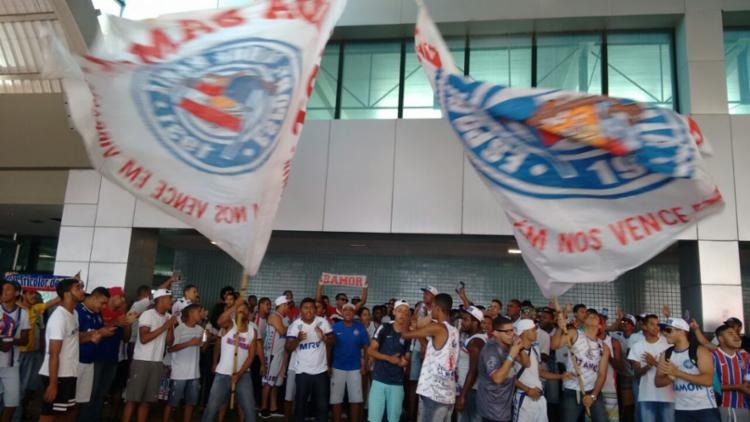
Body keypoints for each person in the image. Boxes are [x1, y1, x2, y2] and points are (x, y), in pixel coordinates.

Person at [401, 293, 460, 422]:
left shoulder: (437, 327)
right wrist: (420, 334)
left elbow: (405, 334)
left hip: (433, 393)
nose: (430, 311)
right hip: (447, 393)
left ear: (438, 309)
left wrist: (407, 316)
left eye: (432, 307)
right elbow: (432, 347)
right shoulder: (454, 330)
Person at [123, 289, 176, 422]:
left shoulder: (168, 317)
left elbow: (169, 342)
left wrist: (170, 327)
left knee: (148, 400)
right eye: (170, 298)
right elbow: (144, 338)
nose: (172, 301)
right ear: (161, 299)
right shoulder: (148, 315)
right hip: (142, 361)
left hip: (157, 362)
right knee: (133, 399)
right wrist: (165, 327)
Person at [201, 300, 258, 422]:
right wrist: (235, 306)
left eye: (245, 310)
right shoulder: (229, 324)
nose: (242, 312)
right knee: (212, 406)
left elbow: (251, 356)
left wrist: (239, 374)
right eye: (240, 310)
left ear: (249, 313)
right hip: (223, 373)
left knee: (249, 408)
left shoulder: (253, 331)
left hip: (243, 374)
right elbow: (219, 321)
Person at [39, 278, 86, 422]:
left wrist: (93, 335)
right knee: (49, 416)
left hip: (68, 373)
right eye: (78, 288)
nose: (82, 291)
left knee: (65, 414)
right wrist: (53, 384)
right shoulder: (59, 317)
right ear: (66, 293)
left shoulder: (74, 314)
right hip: (57, 375)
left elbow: (73, 339)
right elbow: (54, 353)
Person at [551, 308, 610, 422]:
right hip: (572, 390)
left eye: (595, 317)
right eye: (589, 315)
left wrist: (593, 396)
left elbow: (602, 374)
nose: (592, 316)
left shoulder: (604, 347)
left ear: (600, 326)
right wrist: (559, 327)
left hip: (592, 391)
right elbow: (554, 346)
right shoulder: (574, 333)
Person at [655, 317, 719, 422]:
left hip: (705, 408)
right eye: (663, 331)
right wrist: (670, 378)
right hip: (681, 410)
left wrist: (677, 373)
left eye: (668, 330)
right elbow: (658, 382)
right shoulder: (666, 354)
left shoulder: (700, 351)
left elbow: (708, 380)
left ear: (682, 331)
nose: (664, 333)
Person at [82, 287, 129, 421]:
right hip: (96, 358)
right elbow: (94, 332)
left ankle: (95, 417)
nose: (123, 300)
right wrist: (115, 322)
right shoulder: (99, 311)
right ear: (113, 297)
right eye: (121, 296)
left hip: (112, 359)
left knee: (102, 393)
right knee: (91, 392)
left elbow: (125, 338)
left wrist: (127, 324)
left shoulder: (121, 314)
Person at [513, 318, 573, 422]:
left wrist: (561, 376)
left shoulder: (535, 348)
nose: (536, 332)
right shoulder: (514, 350)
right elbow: (510, 378)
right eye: (532, 330)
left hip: (539, 398)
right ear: (524, 332)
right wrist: (528, 390)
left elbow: (540, 372)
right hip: (525, 398)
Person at [285, 297, 334, 422]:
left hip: (320, 371)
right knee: (300, 405)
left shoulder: (322, 322)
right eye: (306, 308)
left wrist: (324, 338)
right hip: (302, 372)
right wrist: (298, 340)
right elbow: (288, 347)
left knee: (322, 406)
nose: (309, 310)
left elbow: (333, 341)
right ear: (301, 310)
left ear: (316, 309)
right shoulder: (295, 325)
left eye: (312, 307)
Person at [16, 288, 60, 422]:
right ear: (22, 294)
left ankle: (20, 414)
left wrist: (69, 283)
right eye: (30, 293)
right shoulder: (15, 308)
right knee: (17, 389)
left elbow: (55, 301)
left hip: (32, 354)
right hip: (18, 353)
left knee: (27, 388)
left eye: (35, 293)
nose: (33, 295)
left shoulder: (36, 309)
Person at [74, 287, 117, 418]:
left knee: (85, 398)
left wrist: (105, 331)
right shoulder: (77, 312)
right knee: (72, 401)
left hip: (91, 361)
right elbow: (72, 337)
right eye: (102, 303)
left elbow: (98, 332)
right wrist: (99, 333)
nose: (104, 307)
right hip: (77, 361)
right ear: (94, 297)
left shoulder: (97, 314)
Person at [476, 316, 528, 422]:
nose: (511, 334)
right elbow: (497, 379)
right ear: (495, 333)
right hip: (491, 409)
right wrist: (511, 356)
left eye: (512, 330)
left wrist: (520, 348)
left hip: (504, 407)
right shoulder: (491, 351)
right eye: (507, 332)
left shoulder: (508, 345)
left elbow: (526, 363)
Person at [366, 300, 411, 422]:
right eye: (400, 310)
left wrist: (404, 362)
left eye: (406, 312)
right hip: (379, 379)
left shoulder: (409, 334)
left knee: (394, 419)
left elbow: (407, 357)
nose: (403, 314)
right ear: (394, 312)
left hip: (397, 381)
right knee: (374, 418)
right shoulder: (385, 328)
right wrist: (389, 358)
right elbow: (370, 350)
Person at [627, 314, 673, 422]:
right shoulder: (637, 346)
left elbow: (674, 369)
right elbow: (637, 373)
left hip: (667, 396)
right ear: (644, 327)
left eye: (657, 324)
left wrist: (654, 363)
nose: (656, 327)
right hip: (646, 396)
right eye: (652, 324)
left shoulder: (668, 344)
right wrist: (648, 366)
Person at [330, 303, 370, 422]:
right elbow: (329, 347)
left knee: (355, 399)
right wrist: (328, 364)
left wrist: (365, 365)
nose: (348, 312)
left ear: (354, 313)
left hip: (355, 368)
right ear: (341, 313)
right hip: (337, 367)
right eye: (345, 310)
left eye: (351, 310)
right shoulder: (335, 327)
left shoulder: (360, 328)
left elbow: (366, 347)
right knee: (336, 399)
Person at [165, 304, 204, 422]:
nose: (201, 314)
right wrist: (189, 343)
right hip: (179, 374)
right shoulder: (180, 329)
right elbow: (170, 349)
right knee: (172, 403)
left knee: (190, 403)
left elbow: (204, 345)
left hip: (194, 374)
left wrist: (205, 338)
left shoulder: (200, 329)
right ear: (191, 313)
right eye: (199, 312)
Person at [0, 280, 30, 422]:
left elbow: (25, 340)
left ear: (17, 293)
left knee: (12, 402)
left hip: (11, 365)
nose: (4, 292)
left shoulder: (23, 314)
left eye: (8, 289)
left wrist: (10, 341)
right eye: (2, 290)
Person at [711, 324, 750, 422]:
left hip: (742, 407)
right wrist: (738, 387)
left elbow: (747, 380)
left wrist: (744, 386)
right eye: (730, 333)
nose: (736, 336)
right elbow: (710, 385)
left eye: (736, 333)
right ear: (721, 339)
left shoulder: (745, 356)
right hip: (720, 407)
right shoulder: (712, 357)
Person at [260, 295, 290, 418]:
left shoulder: (285, 318)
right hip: (271, 354)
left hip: (280, 354)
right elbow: (283, 331)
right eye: (287, 305)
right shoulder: (274, 316)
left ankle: (273, 408)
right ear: (282, 305)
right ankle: (263, 408)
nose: (288, 307)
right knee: (268, 383)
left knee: (276, 383)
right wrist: (294, 327)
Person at [456, 306, 487, 422]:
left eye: (465, 320)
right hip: (470, 390)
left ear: (475, 323)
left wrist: (463, 396)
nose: (462, 322)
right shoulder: (475, 338)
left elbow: (473, 370)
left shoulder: (475, 342)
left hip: (471, 392)